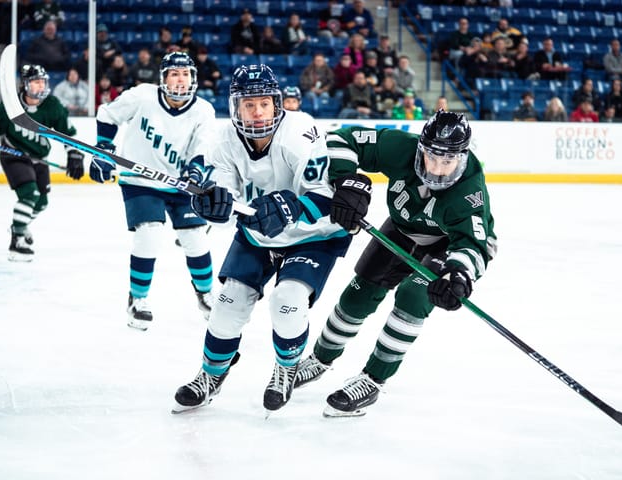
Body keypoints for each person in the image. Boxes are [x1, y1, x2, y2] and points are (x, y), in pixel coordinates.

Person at [172, 64, 352, 414]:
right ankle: (211, 376)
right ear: (235, 107)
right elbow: (226, 201)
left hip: (312, 235)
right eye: (248, 105)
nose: (257, 112)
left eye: (264, 104)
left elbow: (329, 197)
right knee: (226, 307)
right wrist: (213, 205)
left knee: (287, 302)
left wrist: (291, 206)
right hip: (259, 235)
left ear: (277, 104)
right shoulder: (223, 142)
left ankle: (286, 369)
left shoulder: (300, 131)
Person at [293, 111, 497, 417]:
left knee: (413, 298)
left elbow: (477, 243)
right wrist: (346, 182)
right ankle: (321, 359)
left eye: (448, 160)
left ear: (463, 155)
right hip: (400, 230)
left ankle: (373, 379)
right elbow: (340, 138)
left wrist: (459, 274)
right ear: (421, 148)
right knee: (356, 297)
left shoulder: (470, 191)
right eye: (432, 157)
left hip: (444, 243)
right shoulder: (402, 147)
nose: (439, 169)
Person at [89, 52, 217, 330]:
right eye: (174, 73)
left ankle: (205, 293)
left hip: (181, 184)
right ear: (163, 78)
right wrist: (103, 151)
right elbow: (108, 114)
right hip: (140, 181)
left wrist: (196, 172)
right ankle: (138, 299)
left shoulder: (203, 110)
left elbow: (203, 147)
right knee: (149, 234)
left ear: (193, 78)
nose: (180, 79)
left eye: (185, 74)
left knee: (195, 237)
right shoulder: (143, 96)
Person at [0, 64, 84, 261]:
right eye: (35, 82)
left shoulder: (52, 105)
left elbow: (68, 134)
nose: (40, 86)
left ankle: (19, 225)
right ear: (25, 85)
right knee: (29, 194)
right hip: (13, 154)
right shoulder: (10, 105)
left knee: (41, 202)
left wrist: (74, 155)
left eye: (42, 82)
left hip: (39, 157)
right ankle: (17, 243)